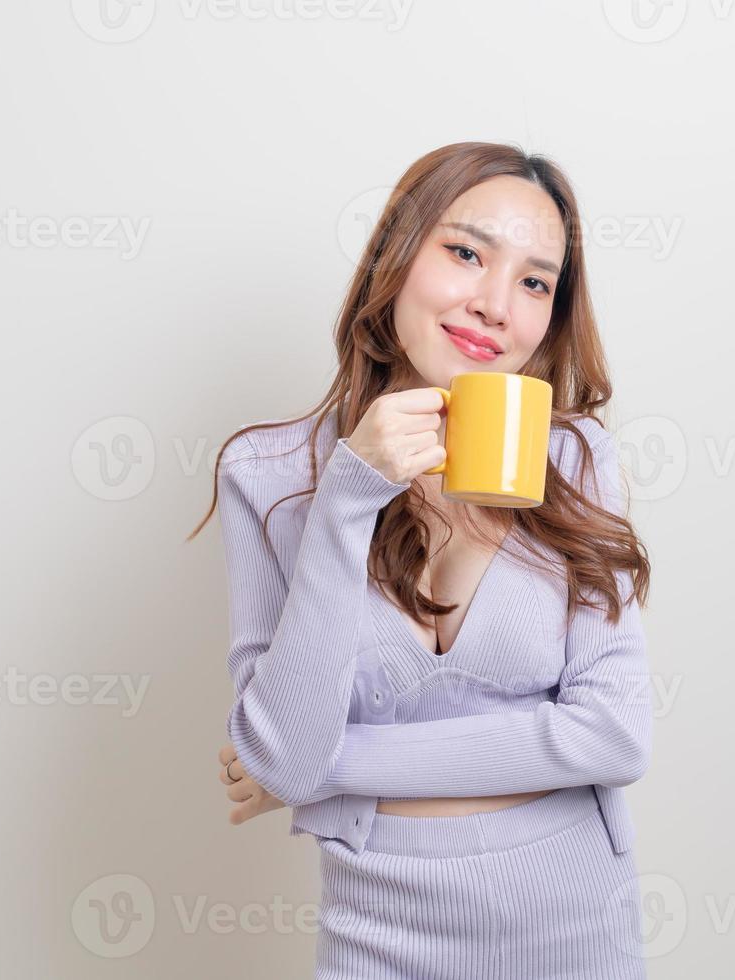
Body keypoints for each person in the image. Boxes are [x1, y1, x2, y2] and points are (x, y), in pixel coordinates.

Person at [187, 141, 654, 978]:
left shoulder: (577, 458)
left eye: (534, 281)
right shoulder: (266, 476)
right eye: (466, 252)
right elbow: (285, 755)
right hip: (378, 936)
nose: (494, 305)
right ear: (395, 258)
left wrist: (332, 769)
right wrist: (346, 498)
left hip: (579, 924)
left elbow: (615, 736)